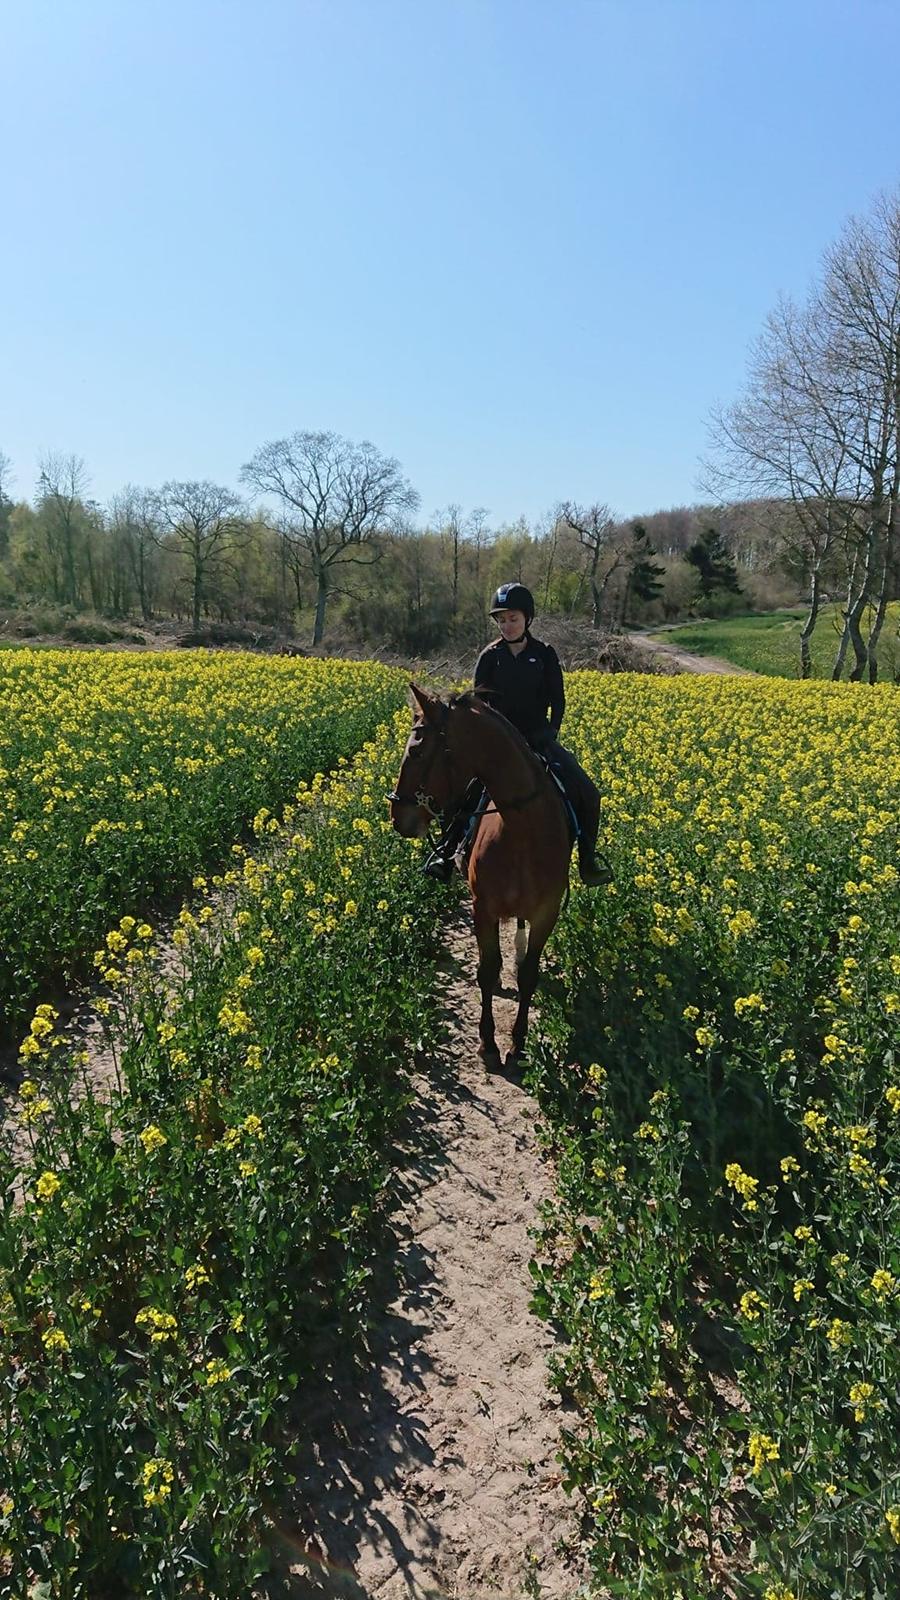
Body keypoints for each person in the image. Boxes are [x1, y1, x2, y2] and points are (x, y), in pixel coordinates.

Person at [423, 582, 612, 886]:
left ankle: (587, 860)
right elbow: (478, 707)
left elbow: (557, 701)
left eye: (513, 619)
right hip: (497, 747)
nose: (507, 626)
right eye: (501, 620)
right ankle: (447, 854)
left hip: (538, 739)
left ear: (527, 619)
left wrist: (550, 733)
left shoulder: (545, 654)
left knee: (587, 791)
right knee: (460, 792)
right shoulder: (489, 657)